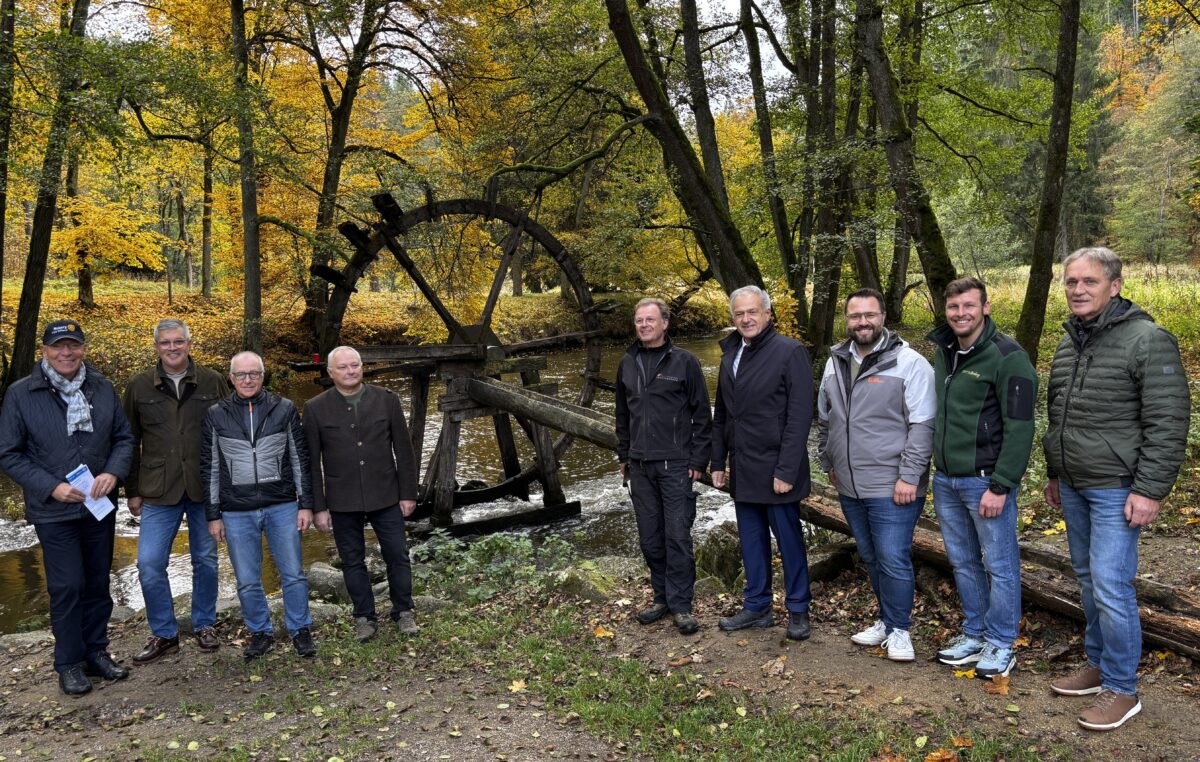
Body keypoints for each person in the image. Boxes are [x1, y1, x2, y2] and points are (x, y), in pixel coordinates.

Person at [1043, 247, 1189, 731]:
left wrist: (1150, 489)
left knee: (1110, 583)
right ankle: (1098, 663)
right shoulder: (1069, 340)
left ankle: (1122, 690)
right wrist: (1055, 472)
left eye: (1089, 281)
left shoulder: (1148, 340)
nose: (1078, 290)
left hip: (1117, 487)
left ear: (1115, 285)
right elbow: (1059, 412)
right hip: (1077, 484)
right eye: (1070, 282)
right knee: (1087, 579)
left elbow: (1168, 422)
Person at [0, 320, 134, 695]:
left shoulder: (102, 387)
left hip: (97, 505)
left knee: (97, 583)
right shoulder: (21, 394)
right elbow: (8, 454)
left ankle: (97, 653)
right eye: (58, 347)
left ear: (84, 349)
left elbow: (124, 438)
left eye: (73, 346)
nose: (66, 353)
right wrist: (52, 487)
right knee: (66, 585)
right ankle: (69, 663)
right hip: (53, 509)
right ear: (44, 351)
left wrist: (113, 472)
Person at [927, 277, 1037, 680]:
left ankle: (1002, 642)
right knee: (963, 561)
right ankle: (975, 633)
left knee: (1001, 565)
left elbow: (1021, 426)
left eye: (969, 306)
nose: (961, 314)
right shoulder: (945, 352)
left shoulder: (1008, 356)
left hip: (986, 481)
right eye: (954, 307)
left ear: (985, 307)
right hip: (947, 480)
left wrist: (1002, 483)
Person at [817, 288, 935, 662]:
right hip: (850, 484)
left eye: (870, 314)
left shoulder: (910, 363)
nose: (862, 322)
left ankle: (900, 630)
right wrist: (828, 462)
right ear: (847, 320)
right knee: (870, 555)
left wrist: (909, 477)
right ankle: (886, 620)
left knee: (892, 556)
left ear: (883, 316)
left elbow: (923, 426)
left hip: (893, 484)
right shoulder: (835, 361)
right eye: (855, 316)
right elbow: (825, 418)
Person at [710, 286, 814, 641]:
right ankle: (757, 607)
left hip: (777, 470)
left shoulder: (790, 352)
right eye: (739, 314)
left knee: (788, 542)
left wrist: (786, 470)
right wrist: (718, 462)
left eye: (753, 312)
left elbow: (800, 417)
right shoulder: (730, 355)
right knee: (751, 541)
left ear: (768, 314)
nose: (746, 319)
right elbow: (722, 414)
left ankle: (798, 609)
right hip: (743, 467)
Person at [123, 319, 228, 663]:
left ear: (189, 343)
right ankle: (164, 633)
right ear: (156, 347)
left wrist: (228, 488)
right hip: (157, 489)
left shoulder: (212, 381)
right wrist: (133, 490)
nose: (172, 348)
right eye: (165, 343)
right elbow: (129, 441)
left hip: (204, 488)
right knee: (149, 563)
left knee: (206, 561)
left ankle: (204, 625)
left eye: (178, 342)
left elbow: (229, 434)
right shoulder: (138, 386)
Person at [202, 351, 316, 659]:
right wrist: (213, 515)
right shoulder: (216, 414)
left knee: (292, 572)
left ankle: (300, 630)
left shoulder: (285, 408)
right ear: (231, 378)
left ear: (263, 376)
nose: (248, 379)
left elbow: (300, 460)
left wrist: (305, 504)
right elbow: (210, 467)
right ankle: (260, 632)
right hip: (236, 510)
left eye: (254, 373)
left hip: (282, 505)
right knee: (248, 579)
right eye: (241, 375)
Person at [304, 346, 421, 642]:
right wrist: (319, 506)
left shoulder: (387, 400)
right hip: (342, 499)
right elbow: (311, 464)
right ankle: (364, 617)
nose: (350, 371)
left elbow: (404, 452)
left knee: (397, 553)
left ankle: (403, 611)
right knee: (352, 560)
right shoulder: (316, 408)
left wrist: (408, 493)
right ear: (330, 373)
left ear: (362, 367)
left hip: (386, 493)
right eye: (342, 367)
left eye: (354, 365)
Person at [615, 298, 712, 635]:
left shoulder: (684, 362)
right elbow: (622, 415)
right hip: (640, 467)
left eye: (650, 320)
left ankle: (682, 605)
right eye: (639, 320)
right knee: (650, 538)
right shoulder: (628, 362)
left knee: (677, 536)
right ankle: (661, 598)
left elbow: (702, 415)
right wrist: (624, 455)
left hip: (675, 466)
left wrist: (699, 460)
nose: (644, 325)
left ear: (665, 323)